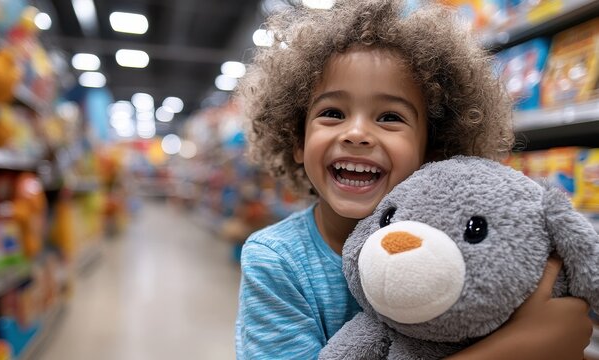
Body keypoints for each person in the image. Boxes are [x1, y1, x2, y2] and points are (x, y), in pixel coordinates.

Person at [234, 0, 593, 359]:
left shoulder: (475, 244)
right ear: (298, 140)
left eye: (390, 117)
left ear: (433, 148)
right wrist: (517, 348)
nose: (357, 133)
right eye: (332, 113)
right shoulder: (277, 261)